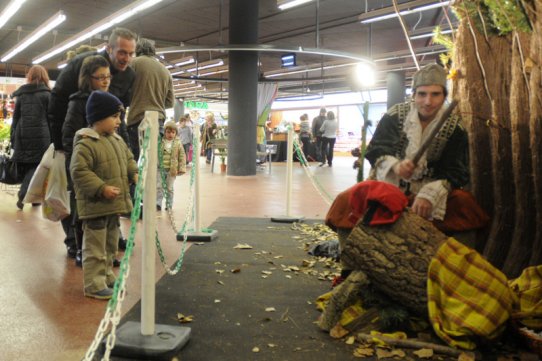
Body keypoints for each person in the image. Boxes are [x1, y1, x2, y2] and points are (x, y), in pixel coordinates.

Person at [364, 63, 488, 233]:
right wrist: (396, 166)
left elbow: (457, 171)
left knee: (465, 204)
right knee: (349, 199)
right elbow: (376, 149)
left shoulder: (455, 127)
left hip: (429, 190)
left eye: (435, 94)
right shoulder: (395, 115)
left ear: (444, 96)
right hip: (390, 184)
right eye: (422, 94)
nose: (428, 102)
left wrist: (429, 194)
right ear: (413, 94)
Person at [48, 27, 137, 258]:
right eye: (122, 52)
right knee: (78, 194)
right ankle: (74, 243)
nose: (126, 58)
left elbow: (121, 113)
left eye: (130, 53)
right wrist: (60, 145)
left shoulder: (128, 74)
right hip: (78, 144)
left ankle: (112, 236)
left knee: (108, 192)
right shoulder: (80, 66)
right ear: (109, 48)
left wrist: (124, 151)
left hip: (107, 147)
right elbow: (57, 103)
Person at [70, 91, 137, 300]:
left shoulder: (116, 140)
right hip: (96, 205)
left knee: (110, 246)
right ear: (98, 117)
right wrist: (101, 188)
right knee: (95, 247)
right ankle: (93, 284)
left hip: (112, 206)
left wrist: (133, 172)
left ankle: (107, 276)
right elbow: (79, 171)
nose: (119, 122)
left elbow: (128, 158)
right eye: (114, 117)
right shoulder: (86, 143)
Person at [62, 55, 111, 267]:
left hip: (106, 164)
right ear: (88, 78)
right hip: (85, 166)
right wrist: (81, 160)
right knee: (81, 211)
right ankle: (80, 249)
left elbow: (121, 131)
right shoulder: (78, 102)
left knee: (105, 211)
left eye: (108, 76)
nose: (106, 81)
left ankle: (102, 252)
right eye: (100, 77)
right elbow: (69, 135)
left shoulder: (111, 100)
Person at [126, 38, 174, 161]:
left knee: (136, 163)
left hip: (137, 119)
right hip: (158, 121)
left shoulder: (133, 63)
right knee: (153, 164)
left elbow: (123, 90)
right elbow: (169, 102)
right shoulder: (165, 71)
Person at [10, 65, 51, 210]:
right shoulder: (47, 95)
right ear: (44, 77)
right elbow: (50, 118)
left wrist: (13, 136)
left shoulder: (21, 95)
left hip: (23, 134)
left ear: (30, 77)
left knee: (28, 165)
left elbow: (16, 118)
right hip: (41, 135)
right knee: (38, 166)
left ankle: (35, 200)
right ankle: (23, 195)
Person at [157, 120, 186, 211]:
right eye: (168, 132)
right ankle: (158, 203)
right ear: (165, 132)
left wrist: (181, 168)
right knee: (159, 186)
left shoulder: (178, 143)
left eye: (173, 132)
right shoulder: (160, 142)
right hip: (160, 169)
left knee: (169, 188)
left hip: (171, 170)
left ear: (176, 133)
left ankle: (169, 204)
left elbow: (182, 155)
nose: (170, 134)